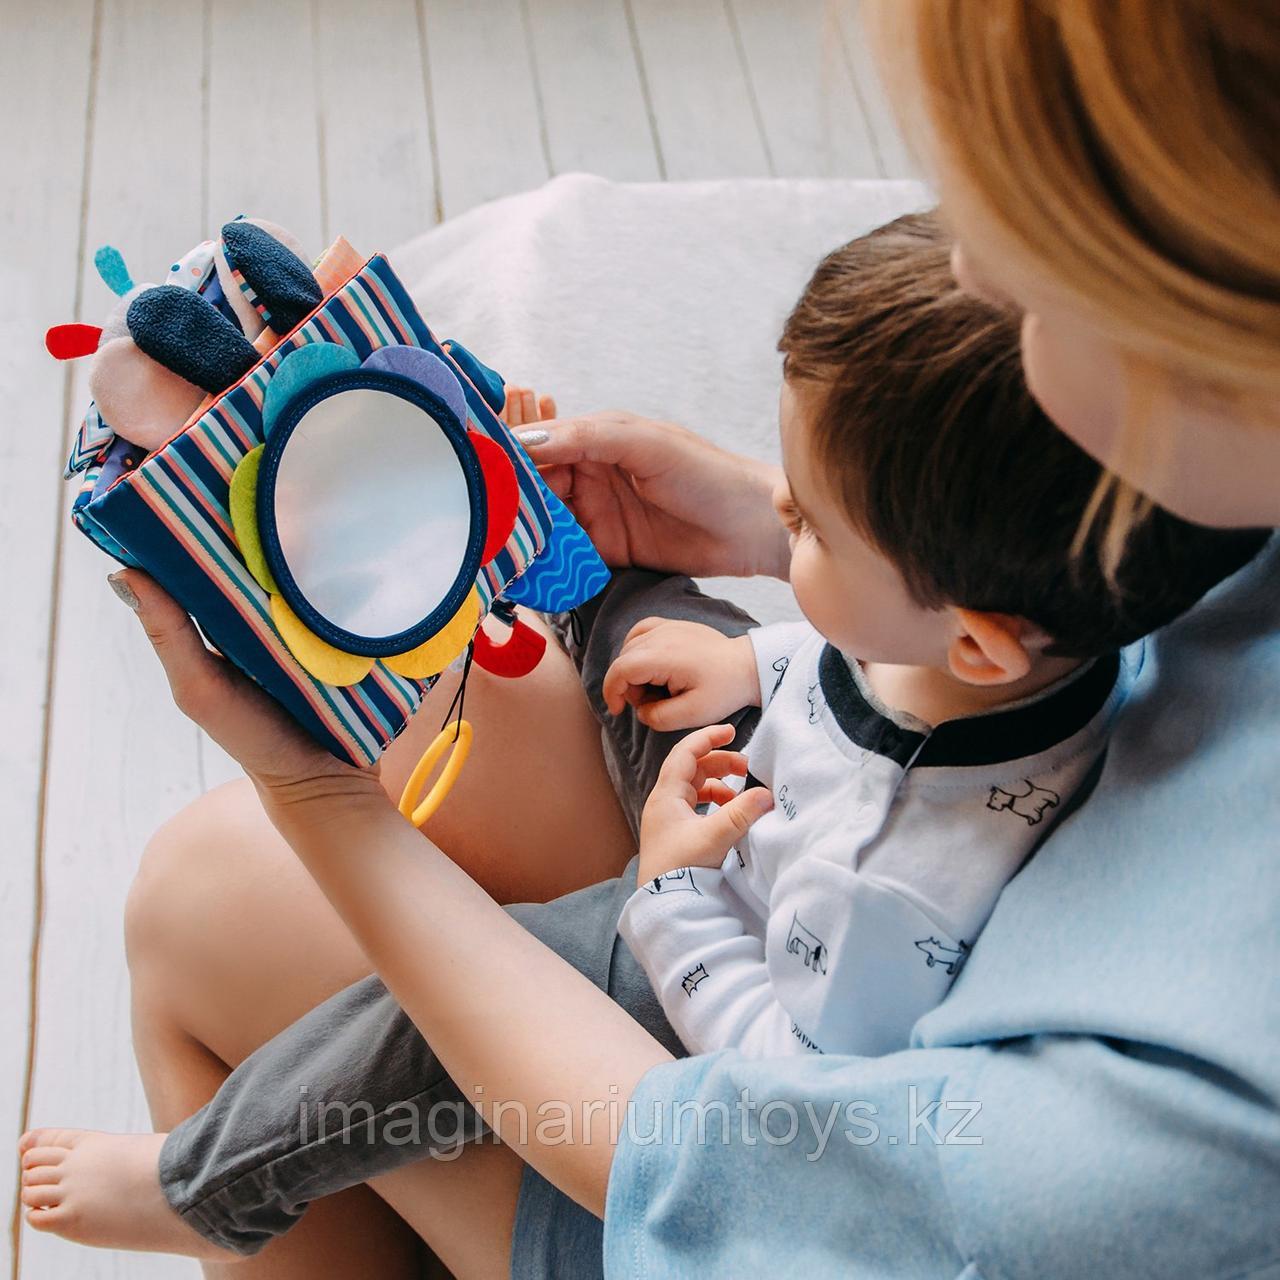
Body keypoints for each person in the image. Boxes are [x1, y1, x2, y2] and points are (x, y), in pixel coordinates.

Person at [19, 2, 1280, 1276]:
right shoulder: (1088, 596)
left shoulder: (1127, 1107)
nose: (974, 272)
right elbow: (911, 676)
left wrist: (647, 891)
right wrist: (767, 540)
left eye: (1043, 252)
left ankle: (214, 1179)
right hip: (812, 795)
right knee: (573, 614)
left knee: (208, 900)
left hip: (753, 1060)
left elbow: (749, 1140)